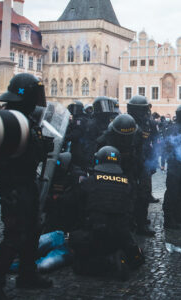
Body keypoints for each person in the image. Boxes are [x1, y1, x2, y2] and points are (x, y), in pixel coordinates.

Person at [0, 74, 53, 299]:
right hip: (15, 185)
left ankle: (27, 274)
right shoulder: (13, 121)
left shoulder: (18, 118)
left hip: (25, 183)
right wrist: (42, 146)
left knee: (33, 229)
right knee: (15, 235)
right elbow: (27, 154)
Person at [74, 146, 144, 281]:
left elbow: (77, 206)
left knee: (77, 251)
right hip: (121, 235)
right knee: (135, 255)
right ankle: (121, 256)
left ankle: (109, 262)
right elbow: (131, 209)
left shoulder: (89, 182)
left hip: (95, 233)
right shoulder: (127, 184)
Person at [127, 95, 158, 236]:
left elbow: (154, 142)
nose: (146, 112)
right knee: (130, 193)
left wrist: (153, 161)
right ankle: (132, 221)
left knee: (144, 194)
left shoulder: (148, 124)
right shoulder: (126, 122)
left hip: (144, 162)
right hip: (130, 163)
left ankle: (141, 222)